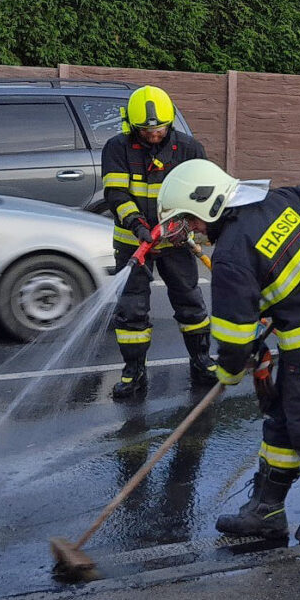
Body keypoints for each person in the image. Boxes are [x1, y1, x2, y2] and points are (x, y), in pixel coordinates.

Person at [156, 159, 300, 543]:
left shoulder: (230, 255)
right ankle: (266, 510)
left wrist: (228, 372)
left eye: (192, 220)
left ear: (208, 205)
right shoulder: (276, 200)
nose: (195, 231)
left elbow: (235, 337)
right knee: (282, 420)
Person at [101, 85, 215, 399]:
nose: (154, 134)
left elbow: (204, 191)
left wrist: (185, 223)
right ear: (132, 126)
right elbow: (116, 194)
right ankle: (133, 373)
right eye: (146, 130)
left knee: (190, 303)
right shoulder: (116, 148)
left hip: (177, 242)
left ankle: (201, 361)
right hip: (133, 243)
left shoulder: (190, 148)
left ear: (170, 122)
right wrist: (137, 226)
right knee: (132, 311)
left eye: (160, 128)